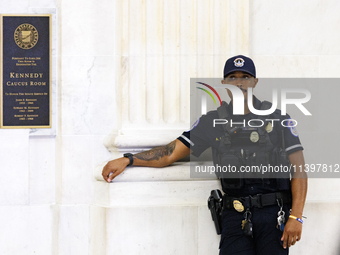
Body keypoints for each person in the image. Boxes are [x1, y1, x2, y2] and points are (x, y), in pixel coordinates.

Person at [102, 55, 307, 255]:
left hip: (274, 215)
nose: (239, 83)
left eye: (245, 77)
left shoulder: (278, 118)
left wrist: (296, 217)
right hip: (236, 216)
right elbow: (169, 153)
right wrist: (129, 159)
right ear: (224, 83)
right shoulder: (212, 122)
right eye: (232, 78)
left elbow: (299, 169)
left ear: (255, 81)